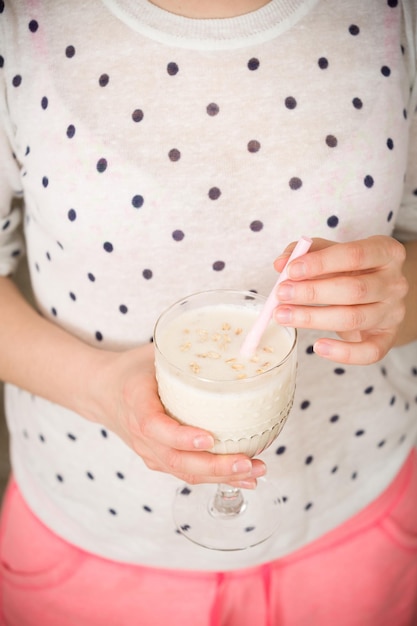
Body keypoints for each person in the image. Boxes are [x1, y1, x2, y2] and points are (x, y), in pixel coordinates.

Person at [0, 0, 416, 624]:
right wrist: (97, 389)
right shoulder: (21, 23)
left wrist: (394, 303)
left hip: (359, 513)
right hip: (94, 542)